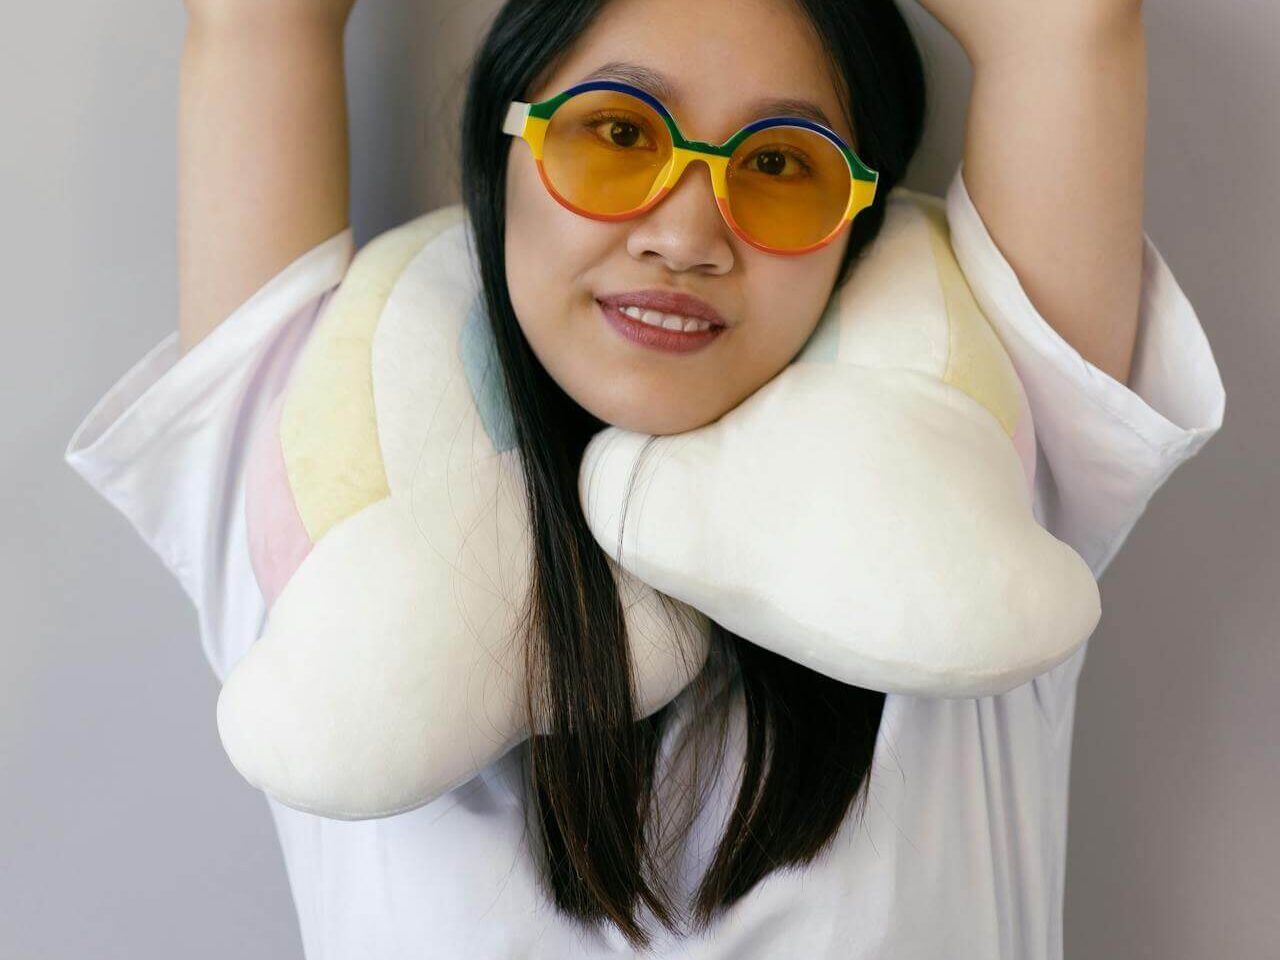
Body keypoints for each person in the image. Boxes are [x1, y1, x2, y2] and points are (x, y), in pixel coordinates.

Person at [63, 0, 1226, 956]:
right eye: (617, 135)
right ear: (502, 150)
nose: (685, 230)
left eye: (778, 165)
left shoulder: (985, 493)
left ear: (852, 234)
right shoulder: (319, 499)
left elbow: (1064, 22)